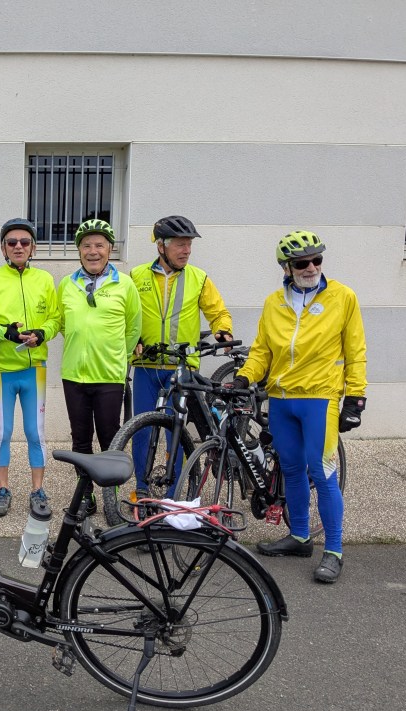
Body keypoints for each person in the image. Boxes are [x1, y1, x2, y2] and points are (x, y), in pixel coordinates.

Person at [234, 230, 367, 584]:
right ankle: (300, 537)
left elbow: (355, 351)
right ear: (286, 268)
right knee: (291, 470)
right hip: (281, 399)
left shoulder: (343, 297)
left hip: (319, 398)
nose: (311, 267)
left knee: (322, 472)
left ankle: (334, 551)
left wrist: (356, 398)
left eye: (316, 260)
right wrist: (244, 378)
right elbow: (262, 351)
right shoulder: (273, 302)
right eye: (302, 263)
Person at [129, 215, 233, 497]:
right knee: (142, 431)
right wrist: (132, 338)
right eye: (180, 244)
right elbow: (125, 313)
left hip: (181, 369)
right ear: (161, 246)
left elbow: (218, 312)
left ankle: (172, 493)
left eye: (189, 245)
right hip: (147, 367)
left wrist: (223, 330)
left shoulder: (199, 278)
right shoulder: (136, 276)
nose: (187, 250)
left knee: (175, 432)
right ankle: (142, 489)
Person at [56, 218, 142, 513]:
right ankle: (86, 495)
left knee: (109, 438)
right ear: (79, 251)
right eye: (86, 246)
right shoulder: (67, 284)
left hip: (109, 376)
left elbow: (133, 327)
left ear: (110, 249)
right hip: (74, 375)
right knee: (80, 440)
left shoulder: (125, 284)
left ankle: (110, 496)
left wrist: (118, 356)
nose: (93, 251)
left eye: (99, 245)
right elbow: (63, 324)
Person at [0, 217, 60, 519]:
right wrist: (6, 333)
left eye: (24, 242)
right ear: (3, 248)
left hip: (33, 369)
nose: (18, 247)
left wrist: (42, 333)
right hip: (0, 369)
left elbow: (55, 319)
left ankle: (37, 490)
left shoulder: (44, 279)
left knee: (34, 432)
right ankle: (3, 489)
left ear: (33, 248)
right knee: (2, 432)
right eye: (11, 242)